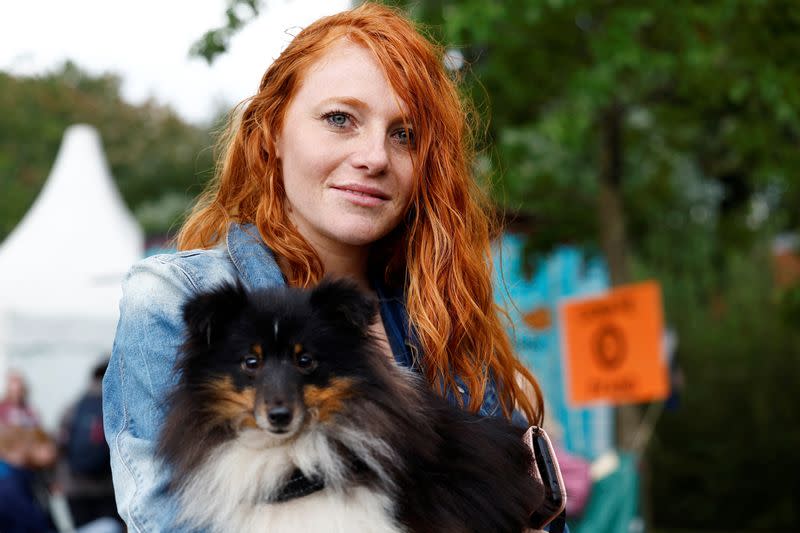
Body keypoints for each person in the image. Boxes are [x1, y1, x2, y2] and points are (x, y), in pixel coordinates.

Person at [103, 3, 550, 531]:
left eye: (403, 134)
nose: (374, 156)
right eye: (341, 119)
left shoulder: (443, 314)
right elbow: (170, 520)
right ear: (272, 130)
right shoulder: (173, 299)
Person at [56, 359, 121, 528]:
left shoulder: (73, 407)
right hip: (107, 488)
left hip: (75, 487)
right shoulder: (116, 406)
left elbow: (60, 445)